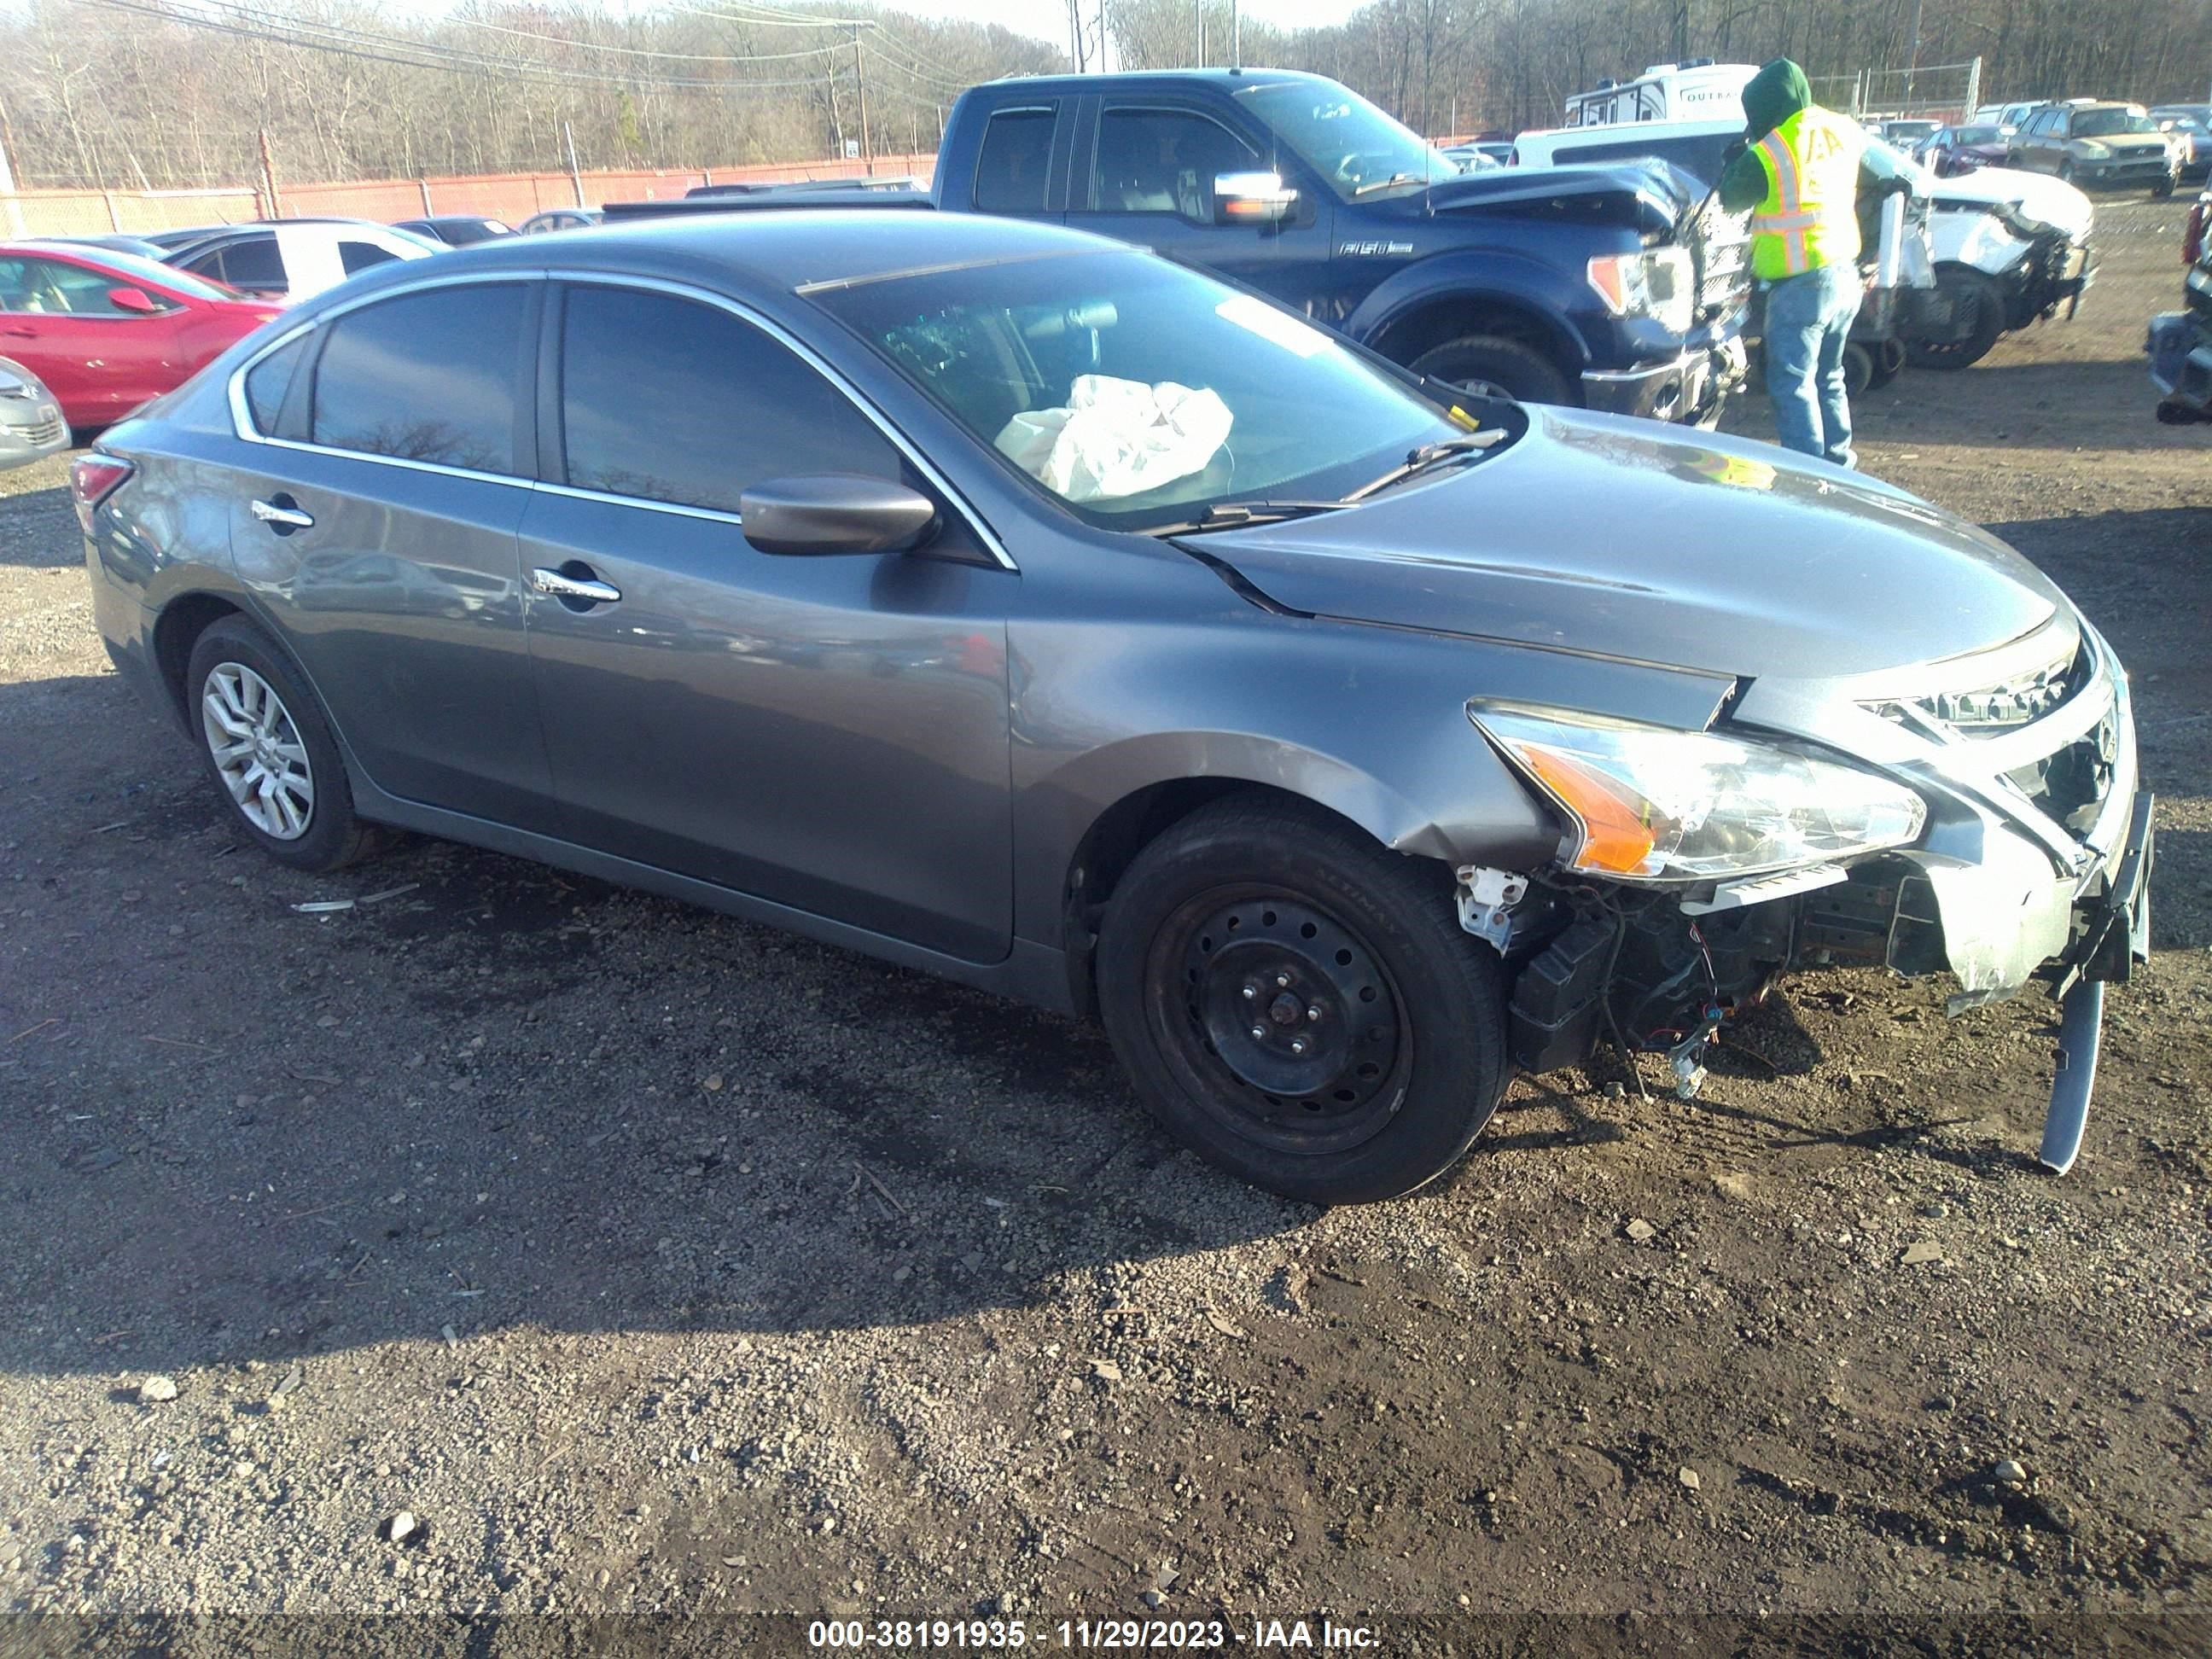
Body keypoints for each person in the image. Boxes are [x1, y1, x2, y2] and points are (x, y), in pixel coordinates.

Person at [1719, 59, 1911, 469]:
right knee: (1830, 376)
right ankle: (1838, 465)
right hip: (1844, 273)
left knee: (1792, 382)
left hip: (1802, 282)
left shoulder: (1772, 150)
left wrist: (1735, 160)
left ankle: (1807, 472)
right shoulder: (1843, 128)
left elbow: (1731, 198)